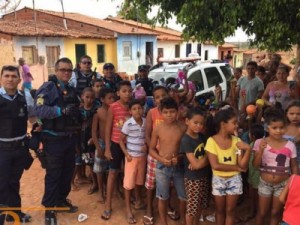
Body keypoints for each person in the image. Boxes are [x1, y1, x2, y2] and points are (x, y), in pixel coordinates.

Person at [34, 57, 81, 225]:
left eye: (69, 69)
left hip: (69, 139)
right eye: (63, 69)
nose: (66, 72)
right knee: (53, 175)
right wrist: (60, 111)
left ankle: (61, 200)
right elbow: (38, 109)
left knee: (67, 173)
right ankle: (49, 209)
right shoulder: (48, 88)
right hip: (53, 140)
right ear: (56, 70)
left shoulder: (71, 89)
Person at [205, 106, 251, 225]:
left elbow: (242, 164)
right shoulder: (211, 141)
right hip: (218, 179)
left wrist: (248, 150)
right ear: (223, 124)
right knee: (219, 211)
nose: (237, 126)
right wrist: (237, 168)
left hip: (234, 180)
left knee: (230, 210)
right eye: (234, 123)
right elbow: (215, 166)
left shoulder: (236, 141)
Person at [253, 107, 299, 225]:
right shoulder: (260, 143)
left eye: (281, 127)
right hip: (265, 183)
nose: (278, 131)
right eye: (274, 128)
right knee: (262, 212)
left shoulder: (290, 145)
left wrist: (294, 185)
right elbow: (255, 165)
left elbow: (294, 166)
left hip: (283, 185)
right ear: (267, 128)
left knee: (275, 213)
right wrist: (261, 151)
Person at [0, 65, 33, 225]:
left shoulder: (25, 97)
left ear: (19, 79)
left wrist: (39, 127)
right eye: (6, 76)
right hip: (2, 150)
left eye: (13, 76)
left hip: (20, 148)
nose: (10, 79)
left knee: (14, 182)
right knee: (2, 184)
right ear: (1, 78)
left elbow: (33, 117)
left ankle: (15, 214)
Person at [149, 97, 186, 225]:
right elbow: (151, 149)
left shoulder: (183, 127)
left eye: (172, 112)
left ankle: (183, 220)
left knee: (183, 197)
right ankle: (164, 222)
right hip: (162, 167)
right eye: (166, 112)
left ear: (177, 112)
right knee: (162, 197)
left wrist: (180, 157)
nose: (169, 115)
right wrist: (161, 159)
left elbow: (188, 149)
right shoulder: (158, 128)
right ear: (160, 112)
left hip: (179, 167)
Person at [101, 80, 132, 220]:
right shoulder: (113, 107)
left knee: (128, 174)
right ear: (118, 93)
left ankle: (128, 205)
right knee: (113, 173)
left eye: (129, 91)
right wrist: (107, 148)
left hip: (130, 146)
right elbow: (108, 129)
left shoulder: (133, 107)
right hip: (115, 145)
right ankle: (108, 204)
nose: (127, 93)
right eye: (124, 91)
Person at [180, 107, 211, 225]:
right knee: (192, 208)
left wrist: (200, 163)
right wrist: (208, 156)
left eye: (201, 124)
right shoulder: (186, 140)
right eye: (195, 123)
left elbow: (199, 163)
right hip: (193, 179)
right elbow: (196, 165)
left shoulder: (202, 137)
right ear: (187, 121)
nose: (199, 126)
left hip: (203, 176)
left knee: (200, 206)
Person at [143, 86, 168, 225]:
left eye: (163, 95)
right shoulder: (151, 113)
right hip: (154, 153)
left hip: (168, 154)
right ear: (154, 100)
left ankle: (167, 205)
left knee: (167, 182)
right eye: (157, 97)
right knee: (151, 183)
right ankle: (149, 209)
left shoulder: (171, 112)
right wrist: (151, 149)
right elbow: (147, 133)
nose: (161, 99)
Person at [119, 99, 147, 224]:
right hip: (131, 158)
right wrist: (126, 154)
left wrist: (146, 146)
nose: (137, 111)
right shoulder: (128, 124)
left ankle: (138, 202)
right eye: (134, 109)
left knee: (139, 181)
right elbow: (121, 140)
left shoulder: (146, 122)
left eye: (139, 108)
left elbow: (147, 137)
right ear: (130, 111)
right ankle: (128, 210)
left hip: (142, 157)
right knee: (128, 184)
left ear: (143, 109)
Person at [92, 87, 115, 203]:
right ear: (102, 99)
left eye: (113, 98)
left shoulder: (115, 111)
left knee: (113, 168)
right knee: (100, 170)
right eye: (109, 98)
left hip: (113, 142)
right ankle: (101, 191)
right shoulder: (98, 113)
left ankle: (114, 189)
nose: (112, 100)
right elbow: (94, 132)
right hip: (101, 143)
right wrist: (98, 147)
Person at [78, 87, 98, 194]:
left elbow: (99, 126)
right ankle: (95, 183)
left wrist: (94, 138)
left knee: (97, 163)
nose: (89, 100)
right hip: (83, 141)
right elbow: (77, 126)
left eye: (91, 97)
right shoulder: (79, 111)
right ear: (82, 97)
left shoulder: (96, 110)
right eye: (87, 97)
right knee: (89, 163)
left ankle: (97, 183)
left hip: (94, 140)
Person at [284, 100, 300, 169]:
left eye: (299, 114)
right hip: (282, 163)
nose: (295, 116)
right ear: (286, 114)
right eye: (292, 114)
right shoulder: (281, 127)